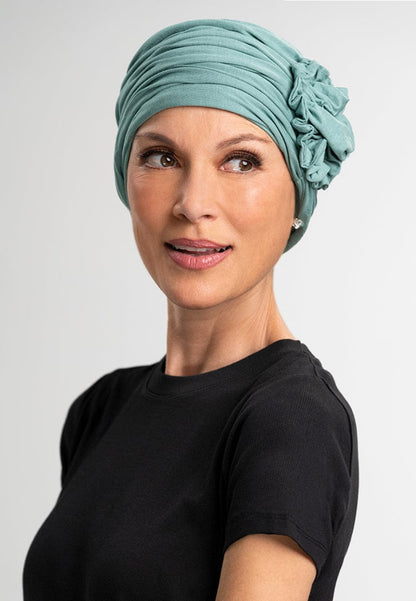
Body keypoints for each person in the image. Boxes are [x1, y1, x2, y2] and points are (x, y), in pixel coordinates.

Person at [23, 19, 359, 601]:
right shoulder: (101, 409)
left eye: (242, 161)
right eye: (161, 157)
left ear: (298, 197)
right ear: (126, 180)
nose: (193, 203)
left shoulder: (289, 417)